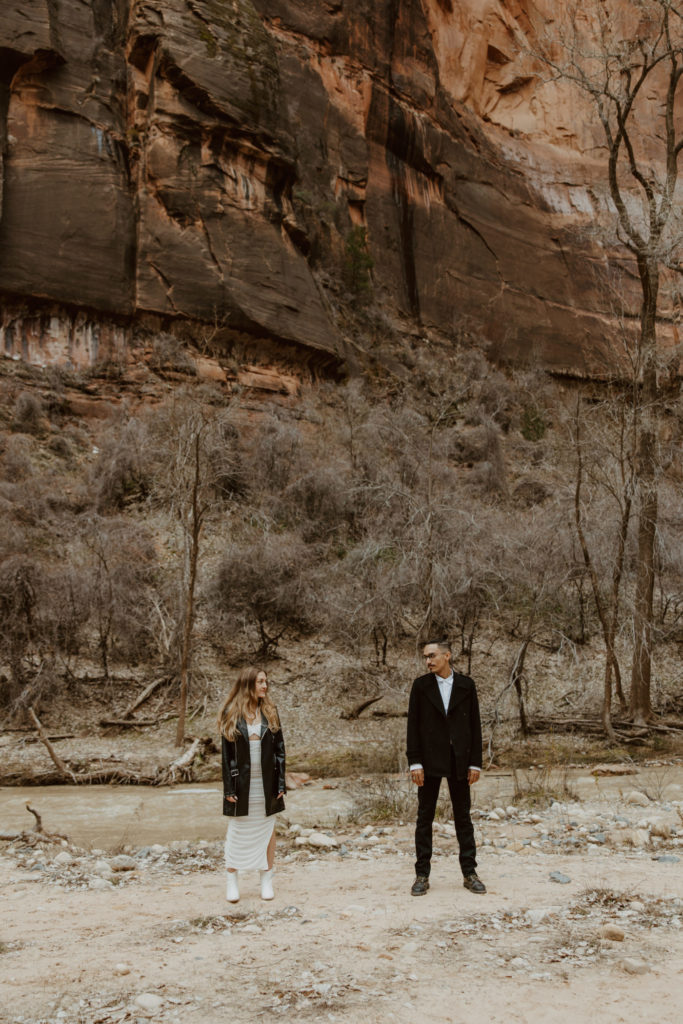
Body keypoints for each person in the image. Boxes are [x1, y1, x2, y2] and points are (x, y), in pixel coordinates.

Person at [406, 638, 486, 896]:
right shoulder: (420, 686)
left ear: (447, 655)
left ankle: (469, 873)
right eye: (425, 657)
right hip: (428, 762)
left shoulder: (466, 685)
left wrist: (475, 762)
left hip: (459, 760)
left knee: (463, 817)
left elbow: (475, 726)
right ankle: (421, 875)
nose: (428, 661)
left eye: (432, 656)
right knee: (424, 817)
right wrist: (414, 762)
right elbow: (413, 727)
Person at [218, 667, 286, 902]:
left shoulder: (270, 712)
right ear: (248, 684)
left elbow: (280, 752)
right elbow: (226, 757)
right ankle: (231, 880)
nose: (265, 686)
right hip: (242, 784)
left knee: (268, 831)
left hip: (266, 783)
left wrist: (280, 784)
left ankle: (266, 878)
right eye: (260, 682)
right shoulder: (231, 714)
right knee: (236, 831)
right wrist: (228, 789)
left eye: (266, 681)